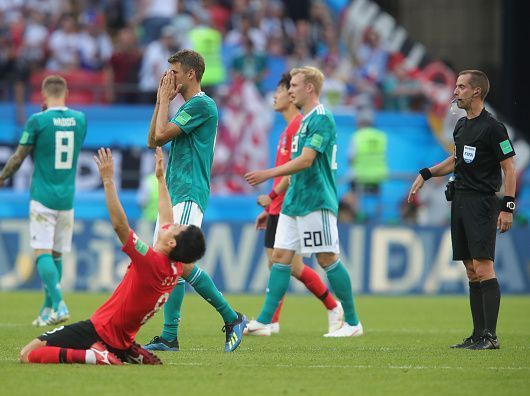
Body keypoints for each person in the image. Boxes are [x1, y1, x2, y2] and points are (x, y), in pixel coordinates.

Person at [19, 147, 205, 365]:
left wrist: (108, 181)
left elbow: (120, 225)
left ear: (172, 242)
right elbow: (166, 215)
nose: (172, 224)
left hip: (101, 330)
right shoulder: (174, 268)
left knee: (28, 354)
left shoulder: (151, 262)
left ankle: (93, 355)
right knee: (113, 340)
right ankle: (126, 350)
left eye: (177, 227)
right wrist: (160, 179)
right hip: (121, 337)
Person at [244, 66, 363, 337]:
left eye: (294, 85)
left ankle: (353, 322)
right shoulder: (303, 122)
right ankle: (265, 319)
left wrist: (268, 174)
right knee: (280, 257)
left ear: (309, 88)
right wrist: (274, 197)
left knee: (327, 259)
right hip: (293, 202)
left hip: (315, 199)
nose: (290, 90)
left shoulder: (321, 118)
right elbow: (296, 168)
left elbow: (307, 160)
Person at [145, 49, 246, 352]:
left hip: (189, 192)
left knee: (178, 262)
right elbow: (153, 139)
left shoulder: (202, 105)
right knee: (168, 263)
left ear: (191, 74)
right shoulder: (187, 108)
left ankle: (229, 318)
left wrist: (164, 101)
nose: (168, 78)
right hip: (175, 192)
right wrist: (160, 102)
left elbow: (161, 136)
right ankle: (172, 335)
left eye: (173, 72)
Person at [408, 70, 516, 350]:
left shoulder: (494, 127)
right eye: (456, 86)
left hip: (482, 203)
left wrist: (508, 207)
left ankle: (490, 337)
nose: (455, 91)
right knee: (470, 269)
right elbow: (455, 160)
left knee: (483, 266)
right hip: (460, 201)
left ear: (476, 92)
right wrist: (426, 173)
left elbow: (509, 167)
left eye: (461, 87)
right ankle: (478, 334)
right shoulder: (461, 126)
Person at [0, 75, 87, 327]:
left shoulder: (37, 121)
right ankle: (48, 309)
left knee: (41, 252)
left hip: (43, 196)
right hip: (67, 197)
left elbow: (19, 157)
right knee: (56, 254)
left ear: (43, 95)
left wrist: (0, 179)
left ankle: (59, 303)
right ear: (66, 92)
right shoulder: (80, 119)